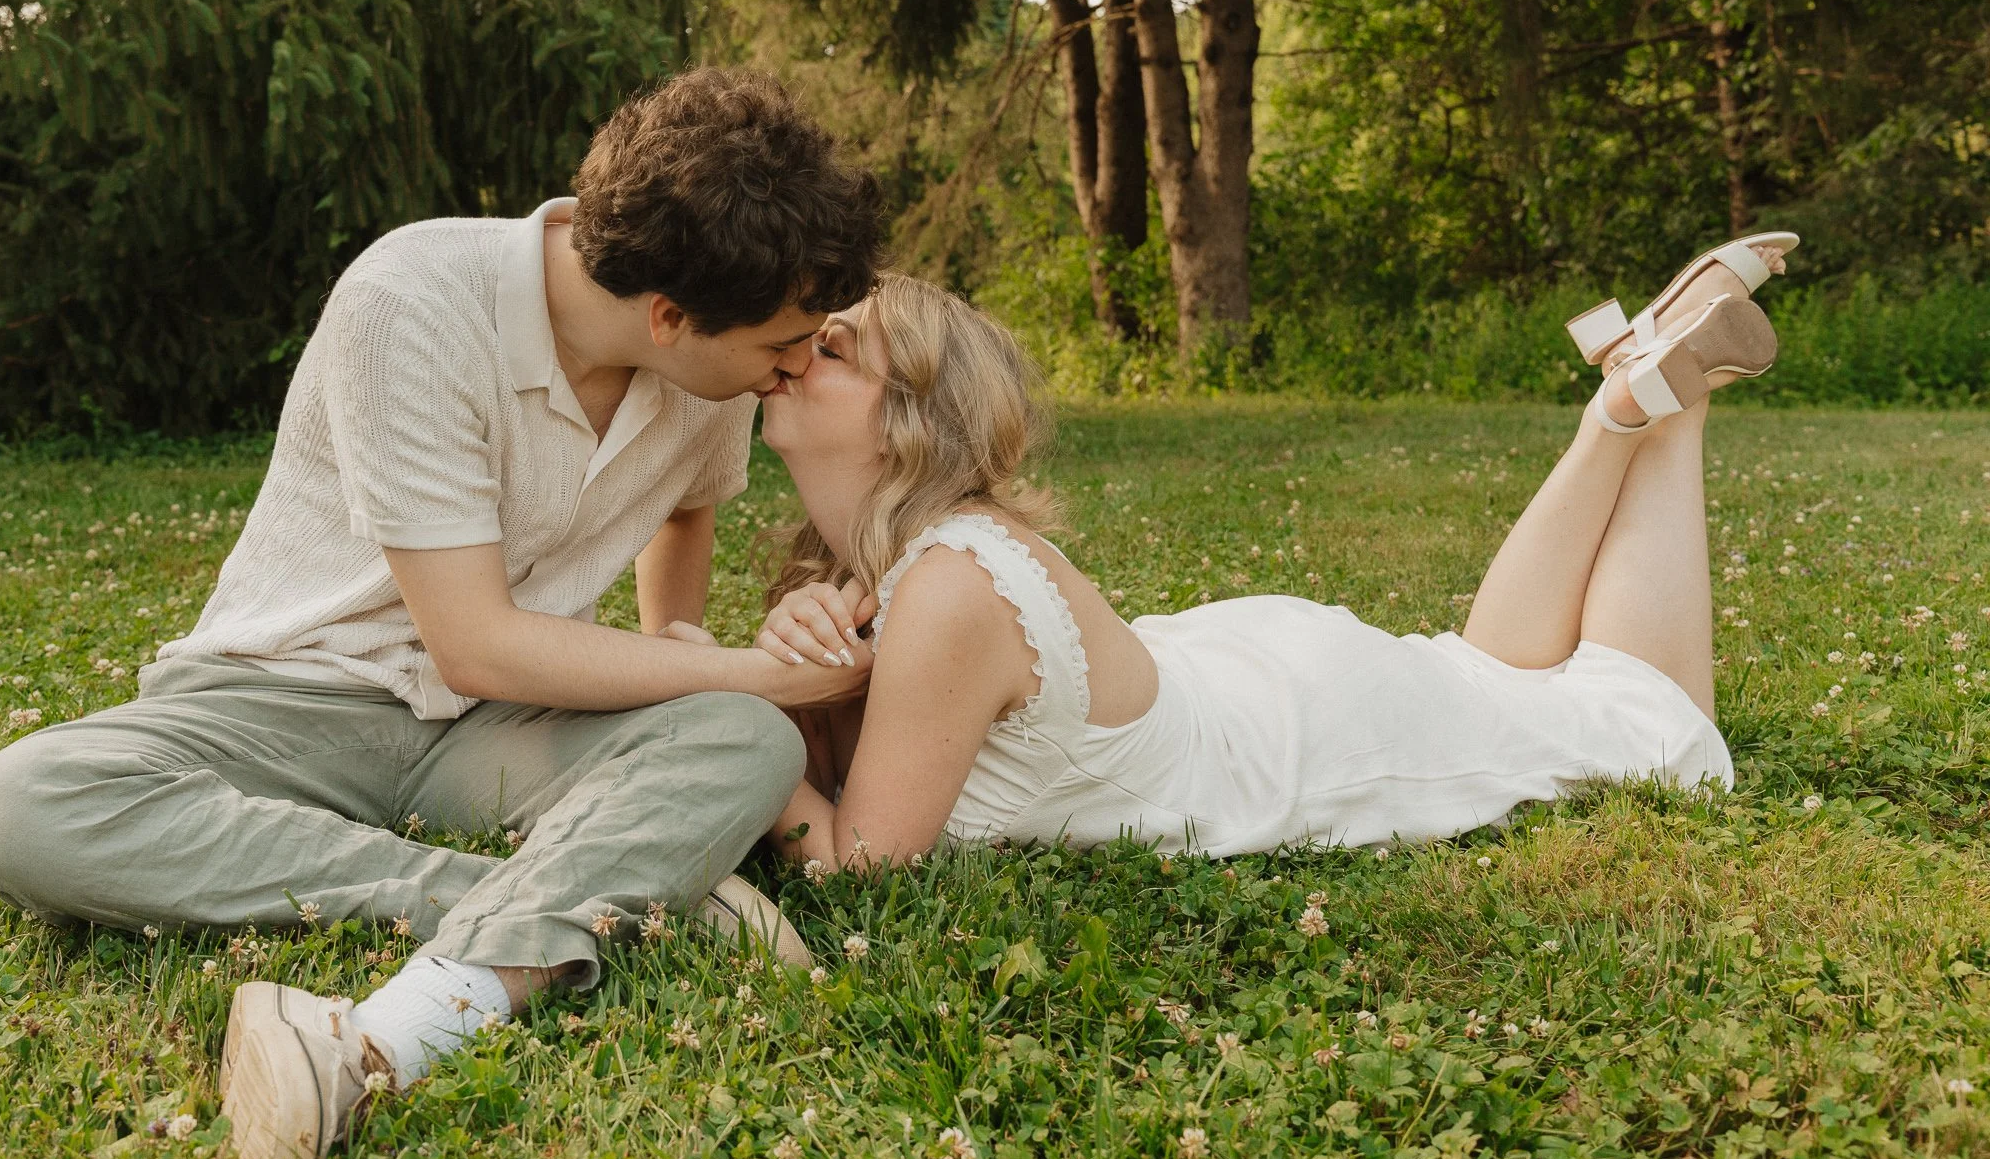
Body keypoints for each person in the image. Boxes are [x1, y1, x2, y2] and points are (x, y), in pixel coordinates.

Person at [0, 68, 883, 1159]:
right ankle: (605, 898)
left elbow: (684, 513)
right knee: (25, 803)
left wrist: (686, 667)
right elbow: (473, 641)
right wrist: (766, 674)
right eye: (783, 345)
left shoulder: (709, 376)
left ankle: (579, 888)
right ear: (669, 315)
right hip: (287, 695)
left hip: (503, 727)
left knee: (742, 741)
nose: (795, 368)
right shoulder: (414, 299)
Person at [749, 234, 1797, 873]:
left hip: (1298, 742)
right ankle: (1622, 401)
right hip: (1254, 681)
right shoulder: (893, 560)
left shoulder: (944, 587)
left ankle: (1669, 408)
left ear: (903, 424)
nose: (792, 352)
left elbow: (863, 869)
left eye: (831, 347)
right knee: (1488, 675)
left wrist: (740, 715)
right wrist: (785, 676)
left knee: (1658, 730)